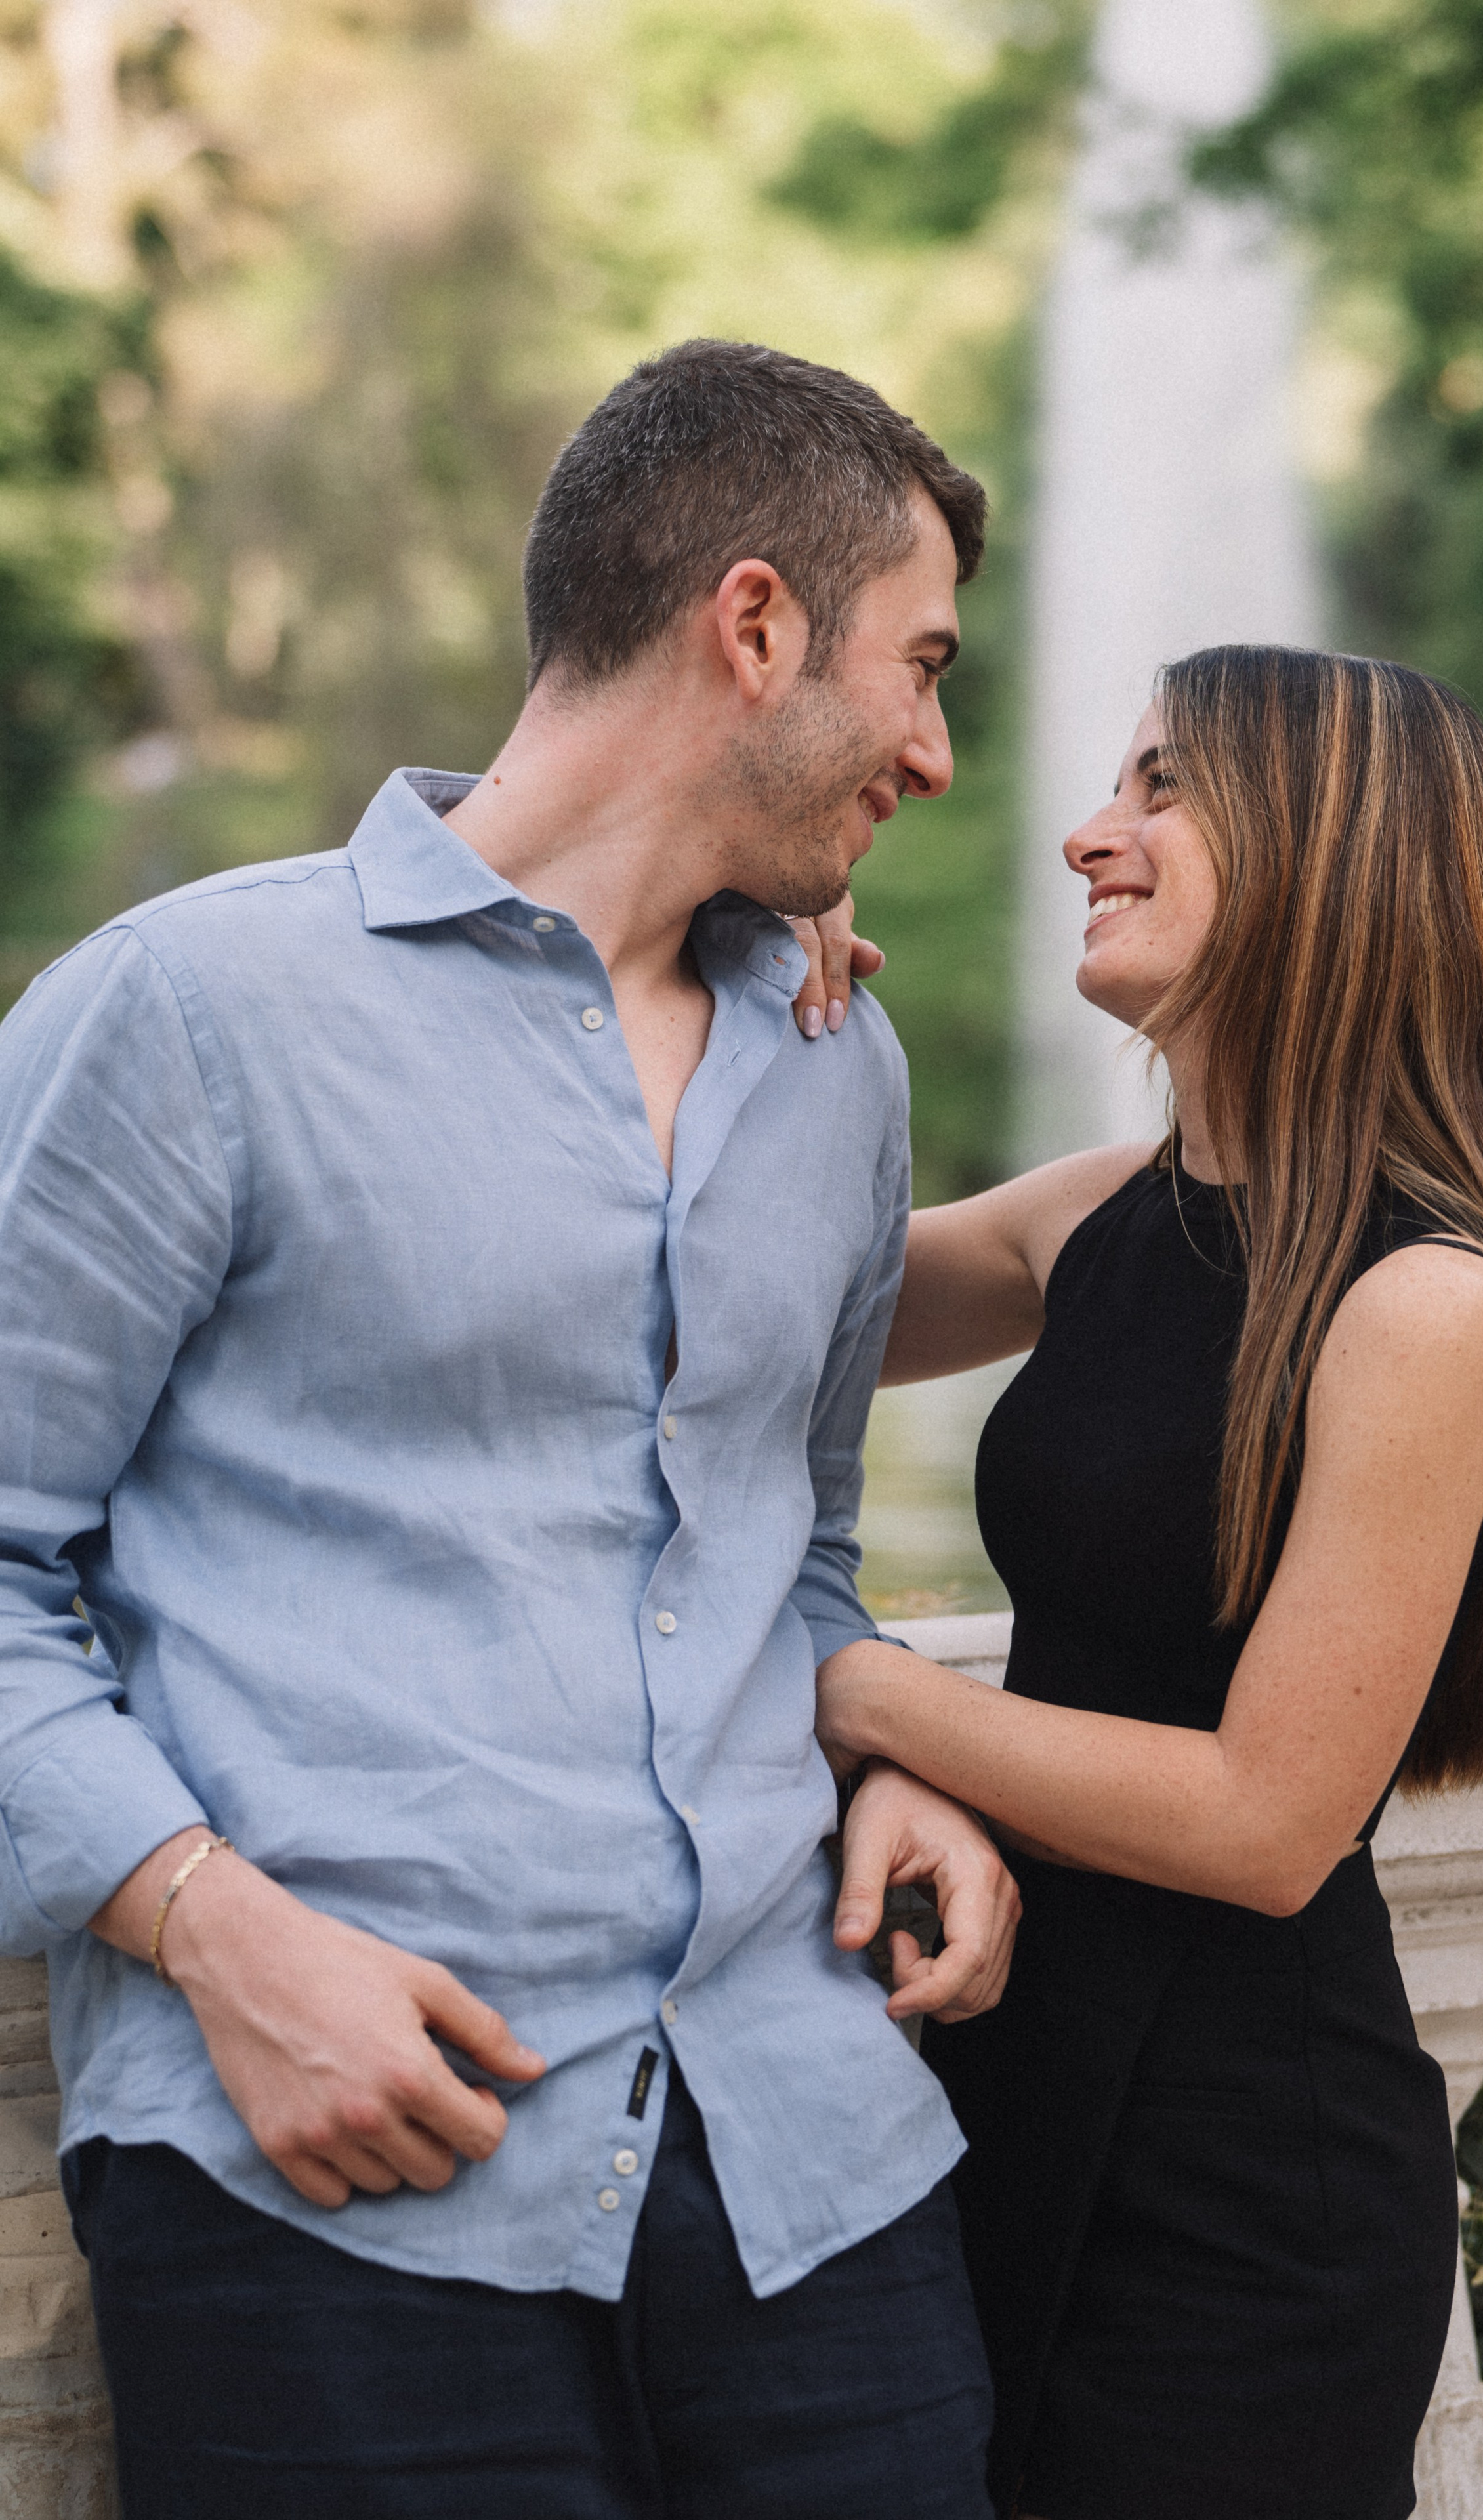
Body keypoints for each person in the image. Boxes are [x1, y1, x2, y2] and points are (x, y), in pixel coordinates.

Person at [0, 338, 1022, 2520]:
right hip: (334, 2188)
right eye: (921, 668)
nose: (938, 755)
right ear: (755, 627)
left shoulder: (836, 1065)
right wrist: (212, 1932)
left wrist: (889, 1746)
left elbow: (790, 1551)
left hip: (814, 2169)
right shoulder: (190, 1017)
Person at [816, 645, 1483, 2520]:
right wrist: (755, 967)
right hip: (1002, 2070)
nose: (1091, 834)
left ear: (1334, 850)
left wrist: (863, 1692)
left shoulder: (1428, 1302)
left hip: (1243, 2185)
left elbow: (1267, 1823)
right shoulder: (1099, 1214)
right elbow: (750, 1310)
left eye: (1163, 789)